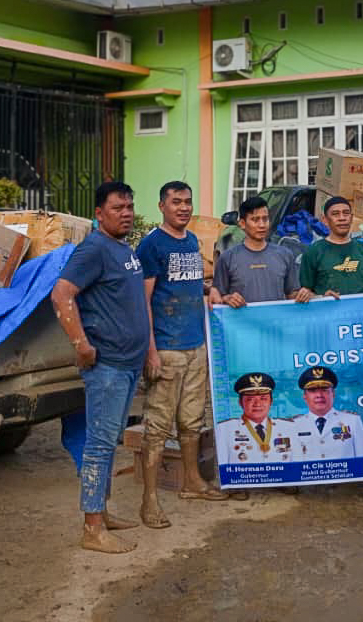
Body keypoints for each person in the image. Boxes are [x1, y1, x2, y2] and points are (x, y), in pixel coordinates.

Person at [50, 181, 147, 555]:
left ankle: (102, 513)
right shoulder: (93, 248)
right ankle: (92, 528)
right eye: (117, 207)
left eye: (129, 206)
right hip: (106, 366)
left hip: (127, 363)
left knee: (109, 444)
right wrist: (81, 344)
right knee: (98, 446)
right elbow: (61, 293)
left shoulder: (121, 247)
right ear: (99, 213)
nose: (126, 212)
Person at [135, 181, 227, 529]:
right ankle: (149, 501)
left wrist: (211, 289)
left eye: (188, 202)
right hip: (167, 349)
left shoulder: (190, 241)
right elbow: (143, 301)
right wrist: (151, 352)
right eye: (176, 202)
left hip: (195, 346)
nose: (184, 208)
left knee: (191, 421)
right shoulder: (151, 246)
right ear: (162, 206)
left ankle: (191, 482)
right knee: (157, 428)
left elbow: (187, 284)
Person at [209, 196, 307, 307]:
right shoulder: (227, 258)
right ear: (242, 223)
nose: (262, 225)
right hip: (241, 323)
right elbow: (217, 299)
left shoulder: (285, 255)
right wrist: (227, 298)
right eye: (255, 220)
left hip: (276, 323)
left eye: (265, 219)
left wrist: (305, 295)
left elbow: (292, 295)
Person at [298, 196, 363, 299]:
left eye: (346, 213)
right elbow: (306, 293)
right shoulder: (314, 251)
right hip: (327, 312)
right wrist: (322, 297)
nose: (342, 218)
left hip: (360, 312)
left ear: (351, 218)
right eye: (335, 214)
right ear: (325, 220)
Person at [290, 366, 363, 459]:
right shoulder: (293, 426)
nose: (319, 395)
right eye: (313, 391)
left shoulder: (352, 421)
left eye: (324, 390)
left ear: (333, 394)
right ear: (305, 396)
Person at [218, 373, 297, 465]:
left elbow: (298, 466)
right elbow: (222, 470)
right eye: (250, 399)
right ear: (240, 402)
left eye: (263, 399)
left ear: (271, 402)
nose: (257, 404)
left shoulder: (288, 427)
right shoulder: (224, 430)